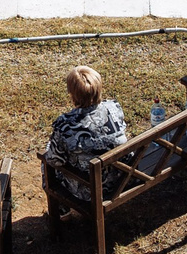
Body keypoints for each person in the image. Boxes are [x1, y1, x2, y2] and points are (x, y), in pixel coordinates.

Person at [43, 64, 129, 192]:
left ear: (72, 94)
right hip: (122, 178)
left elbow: (54, 160)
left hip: (91, 191)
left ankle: (61, 208)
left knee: (46, 158)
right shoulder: (113, 108)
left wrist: (49, 147)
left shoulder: (65, 125)